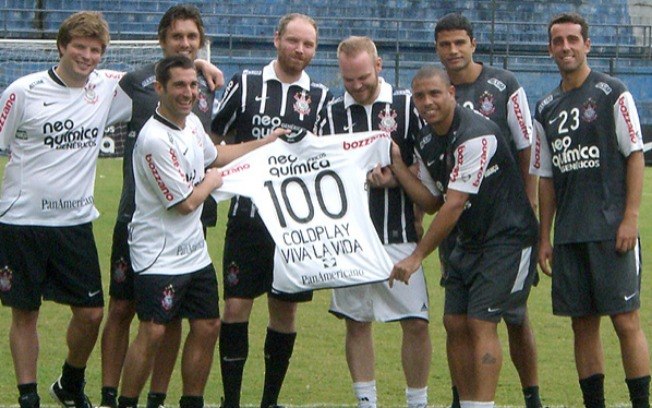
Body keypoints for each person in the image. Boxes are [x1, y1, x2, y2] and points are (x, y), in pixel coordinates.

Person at [116, 55, 276, 408]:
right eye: (179, 85)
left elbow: (217, 155)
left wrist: (266, 143)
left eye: (193, 85)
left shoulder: (190, 125)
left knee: (207, 326)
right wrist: (211, 181)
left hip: (193, 251)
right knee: (153, 330)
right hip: (157, 253)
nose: (188, 92)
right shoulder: (155, 138)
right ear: (160, 89)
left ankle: (192, 402)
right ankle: (127, 402)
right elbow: (185, 203)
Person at [0, 11, 131, 408]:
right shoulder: (23, 90)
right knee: (25, 313)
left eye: (95, 50)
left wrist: (198, 63)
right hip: (21, 222)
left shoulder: (108, 88)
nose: (87, 56)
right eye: (80, 47)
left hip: (74, 223)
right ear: (62, 46)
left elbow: (156, 77)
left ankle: (69, 382)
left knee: (91, 313)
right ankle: (28, 395)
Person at [389, 66, 539, 408]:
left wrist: (416, 258)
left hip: (507, 238)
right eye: (420, 96)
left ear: (452, 94)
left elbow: (453, 204)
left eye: (435, 94)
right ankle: (469, 403)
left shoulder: (475, 133)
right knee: (454, 322)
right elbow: (430, 201)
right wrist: (398, 167)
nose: (428, 102)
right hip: (469, 240)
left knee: (481, 322)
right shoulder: (426, 139)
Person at [99, 5, 224, 408]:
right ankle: (110, 395)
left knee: (177, 320)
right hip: (138, 217)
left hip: (189, 229)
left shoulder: (204, 84)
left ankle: (158, 396)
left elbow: (212, 150)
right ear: (161, 41)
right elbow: (91, 117)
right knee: (123, 309)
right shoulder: (135, 84)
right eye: (177, 37)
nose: (185, 44)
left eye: (192, 37)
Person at [211, 12, 332, 408]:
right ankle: (231, 401)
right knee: (235, 306)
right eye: (293, 41)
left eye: (308, 44)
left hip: (297, 226)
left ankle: (269, 401)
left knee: (284, 312)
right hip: (247, 218)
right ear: (276, 39)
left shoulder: (322, 98)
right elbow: (210, 143)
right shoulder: (245, 84)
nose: (300, 50)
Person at [531, 12, 650, 408]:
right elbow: (545, 177)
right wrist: (544, 236)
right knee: (582, 327)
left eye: (572, 39)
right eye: (558, 41)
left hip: (612, 228)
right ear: (550, 48)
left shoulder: (613, 93)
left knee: (625, 321)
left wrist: (630, 217)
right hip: (569, 234)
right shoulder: (545, 106)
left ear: (587, 45)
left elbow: (634, 156)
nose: (565, 47)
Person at [433, 13, 542, 408]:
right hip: (460, 229)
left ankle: (532, 395)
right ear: (437, 50)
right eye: (445, 45)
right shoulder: (436, 93)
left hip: (504, 226)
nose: (453, 51)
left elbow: (527, 146)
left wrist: (529, 201)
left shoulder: (503, 85)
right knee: (457, 321)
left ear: (473, 44)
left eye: (459, 42)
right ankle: (462, 397)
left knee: (513, 316)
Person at [316, 36, 430, 408]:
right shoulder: (331, 114)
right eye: (349, 80)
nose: (357, 86)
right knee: (357, 321)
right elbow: (319, 173)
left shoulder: (407, 107)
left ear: (378, 66)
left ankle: (417, 402)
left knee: (415, 321)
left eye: (363, 77)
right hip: (349, 238)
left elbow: (427, 165)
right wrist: (362, 179)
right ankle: (366, 402)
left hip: (398, 233)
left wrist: (396, 177)